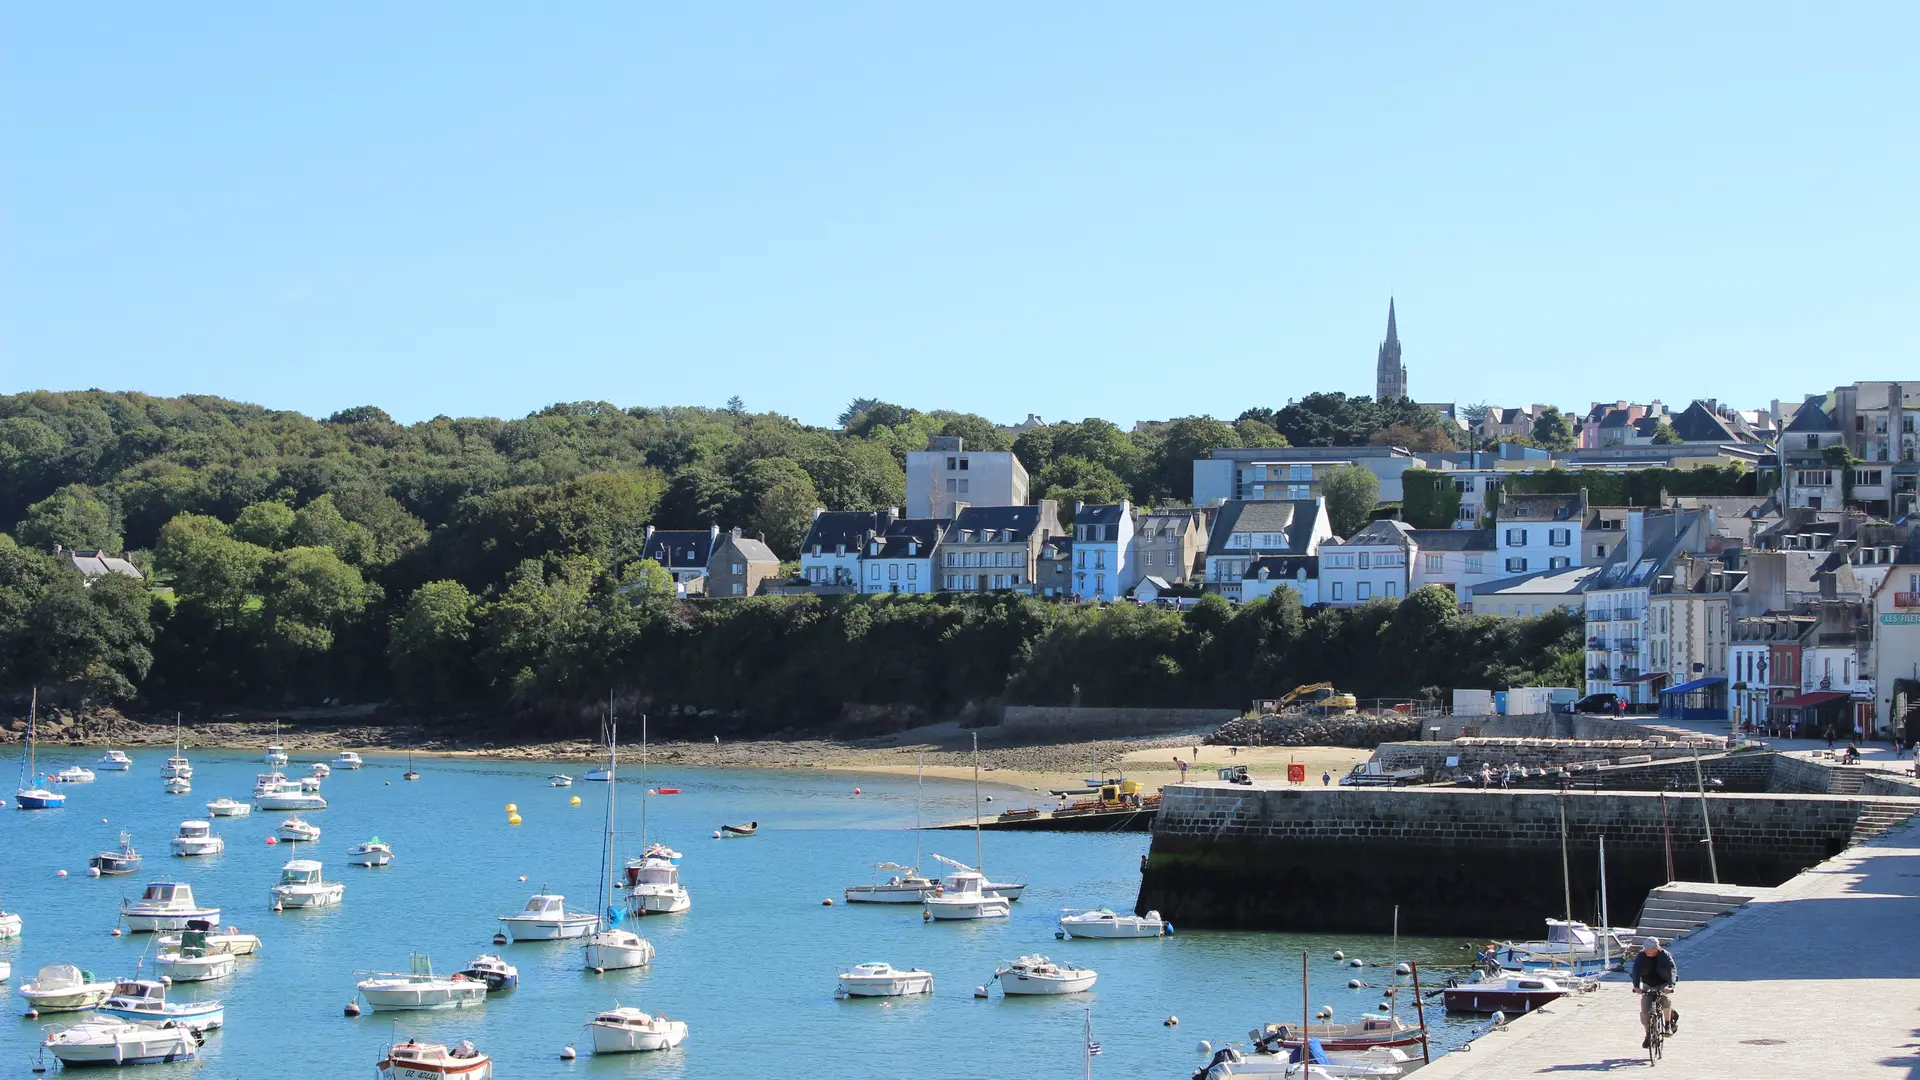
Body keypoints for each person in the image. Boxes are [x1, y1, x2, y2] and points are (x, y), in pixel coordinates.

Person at [1629, 938, 1678, 1048]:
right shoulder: (1641, 956)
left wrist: (1671, 986)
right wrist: (1636, 986)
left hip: (1663, 983)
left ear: (1656, 948)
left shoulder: (1665, 955)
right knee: (1645, 1011)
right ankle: (1648, 1034)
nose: (1647, 951)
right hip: (1648, 983)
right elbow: (1635, 970)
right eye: (1645, 949)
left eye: (1649, 949)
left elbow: (1672, 970)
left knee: (1665, 1000)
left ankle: (1668, 1025)